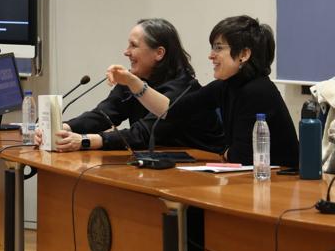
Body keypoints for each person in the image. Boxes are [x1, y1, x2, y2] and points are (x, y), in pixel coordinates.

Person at [107, 15, 299, 166]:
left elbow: (242, 157)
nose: (211, 56)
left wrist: (227, 153)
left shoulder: (258, 91)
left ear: (243, 54)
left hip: (280, 182)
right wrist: (133, 82)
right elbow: (169, 111)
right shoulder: (225, 85)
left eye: (218, 48)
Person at [38, 18, 225, 153]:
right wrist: (63, 129)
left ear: (159, 53)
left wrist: (85, 141)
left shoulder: (184, 89)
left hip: (201, 171)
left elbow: (143, 134)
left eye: (133, 46)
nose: (126, 52)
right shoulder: (135, 78)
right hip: (160, 163)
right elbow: (104, 114)